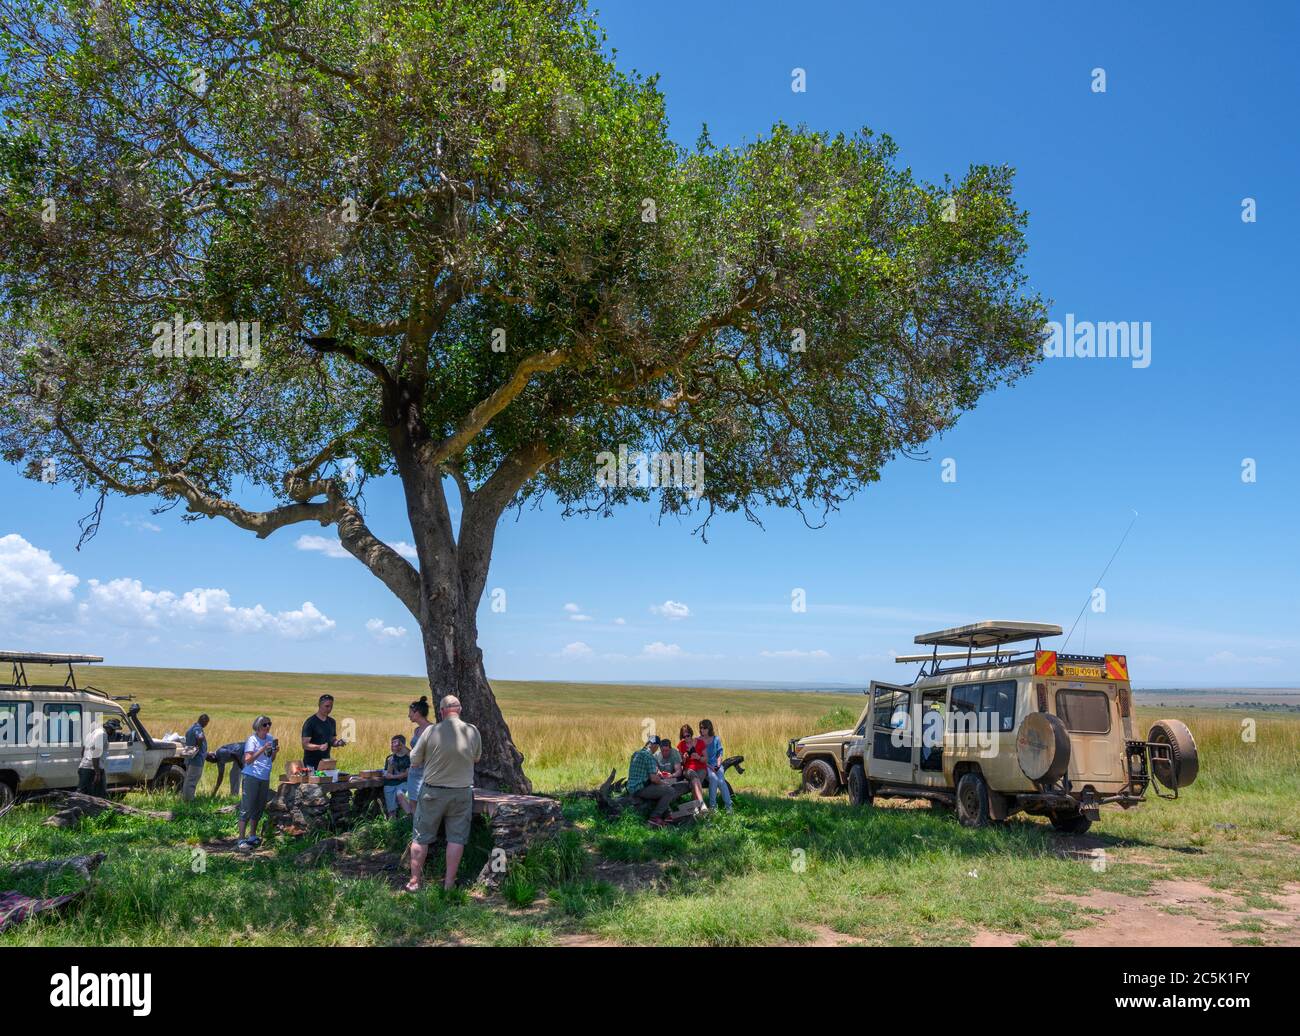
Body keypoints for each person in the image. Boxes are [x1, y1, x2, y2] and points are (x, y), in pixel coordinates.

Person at [405, 695, 481, 892]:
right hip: (462, 792)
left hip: (433, 792)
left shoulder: (431, 730)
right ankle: (449, 883)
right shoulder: (472, 730)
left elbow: (414, 759)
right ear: (460, 709)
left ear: (441, 711)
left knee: (421, 837)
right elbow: (477, 757)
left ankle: (415, 881)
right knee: (456, 838)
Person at [237, 716, 278, 851]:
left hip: (264, 776)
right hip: (251, 776)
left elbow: (270, 758)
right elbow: (248, 760)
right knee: (247, 806)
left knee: (259, 807)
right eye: (265, 724)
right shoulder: (252, 740)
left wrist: (274, 752)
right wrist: (262, 748)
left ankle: (252, 835)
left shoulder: (270, 738)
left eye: (269, 724)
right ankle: (241, 839)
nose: (268, 727)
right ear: (258, 726)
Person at [628, 736, 687, 826]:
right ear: (656, 746)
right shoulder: (649, 756)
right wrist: (665, 783)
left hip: (631, 787)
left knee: (660, 789)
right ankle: (655, 817)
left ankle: (668, 815)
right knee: (669, 791)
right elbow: (654, 778)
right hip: (640, 788)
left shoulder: (636, 753)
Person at [395, 695, 432, 815]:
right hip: (413, 773)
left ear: (417, 713)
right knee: (413, 803)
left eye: (410, 712)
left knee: (425, 804)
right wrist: (403, 748)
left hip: (425, 773)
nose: (408, 715)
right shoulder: (416, 730)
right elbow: (414, 752)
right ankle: (415, 829)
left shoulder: (431, 729)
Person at [300, 694, 345, 770]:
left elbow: (332, 741)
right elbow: (305, 745)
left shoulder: (332, 722)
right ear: (319, 705)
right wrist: (319, 747)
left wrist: (338, 743)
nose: (329, 709)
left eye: (331, 706)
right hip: (311, 764)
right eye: (327, 706)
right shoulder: (310, 722)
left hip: (326, 763)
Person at [77, 717, 119, 797]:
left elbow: (83, 751)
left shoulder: (93, 732)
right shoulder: (102, 735)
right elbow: (95, 756)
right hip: (93, 770)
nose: (114, 732)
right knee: (99, 795)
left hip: (84, 767)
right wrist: (97, 773)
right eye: (114, 730)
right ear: (110, 729)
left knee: (84, 794)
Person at [699, 718, 733, 813]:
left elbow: (720, 753)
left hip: (716, 764)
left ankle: (729, 807)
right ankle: (713, 807)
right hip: (705, 765)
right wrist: (711, 767)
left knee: (721, 781)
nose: (702, 730)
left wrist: (718, 765)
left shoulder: (716, 739)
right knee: (713, 778)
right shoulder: (698, 740)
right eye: (701, 728)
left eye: (704, 728)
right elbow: (700, 758)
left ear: (709, 728)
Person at [677, 724, 707, 806]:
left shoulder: (700, 743)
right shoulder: (681, 745)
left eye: (688, 735)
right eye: (684, 737)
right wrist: (684, 758)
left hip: (701, 768)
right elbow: (680, 763)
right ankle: (701, 804)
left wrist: (698, 757)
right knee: (694, 777)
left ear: (691, 734)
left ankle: (695, 807)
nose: (686, 738)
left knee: (695, 781)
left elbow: (705, 759)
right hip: (688, 769)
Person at [181, 713, 209, 801]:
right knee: (192, 780)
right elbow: (200, 737)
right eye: (206, 722)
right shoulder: (198, 729)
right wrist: (198, 747)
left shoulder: (190, 728)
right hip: (196, 760)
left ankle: (185, 798)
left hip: (189, 758)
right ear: (203, 721)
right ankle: (189, 800)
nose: (206, 724)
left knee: (188, 779)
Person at [382, 734, 411, 815]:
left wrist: (393, 776)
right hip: (389, 784)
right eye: (392, 743)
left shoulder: (409, 757)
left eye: (396, 744)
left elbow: (407, 774)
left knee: (401, 796)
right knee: (391, 809)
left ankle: (410, 818)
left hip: (403, 783)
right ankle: (393, 823)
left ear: (402, 745)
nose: (392, 746)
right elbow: (388, 775)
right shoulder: (390, 758)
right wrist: (391, 765)